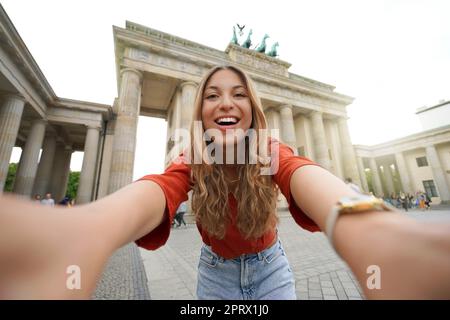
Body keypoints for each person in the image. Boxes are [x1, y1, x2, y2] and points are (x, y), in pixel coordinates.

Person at [1, 65, 450, 300]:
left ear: (253, 110)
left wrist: (370, 226)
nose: (225, 102)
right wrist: (89, 227)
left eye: (238, 94)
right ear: (199, 113)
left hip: (271, 268)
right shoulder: (193, 157)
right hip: (213, 277)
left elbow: (309, 178)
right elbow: (159, 189)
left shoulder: (270, 151)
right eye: (212, 95)